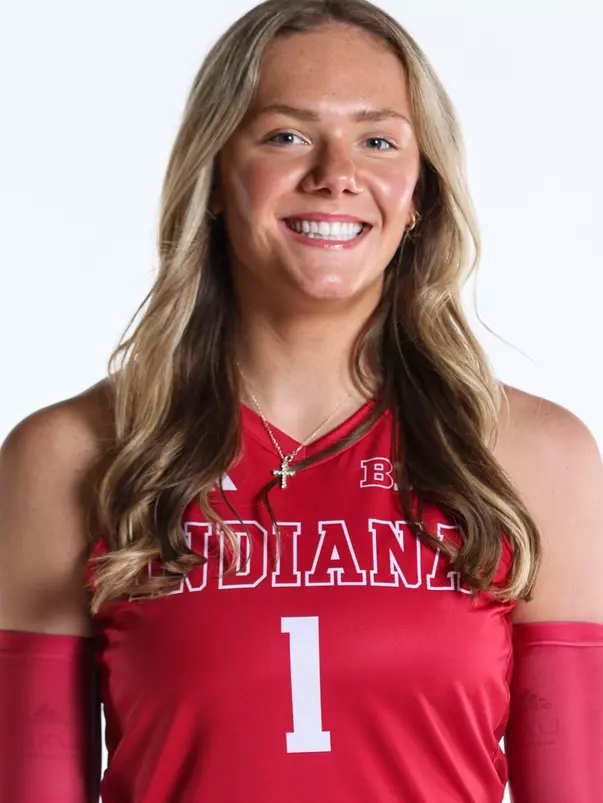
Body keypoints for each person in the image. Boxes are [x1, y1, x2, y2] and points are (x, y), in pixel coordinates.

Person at [1, 0, 601, 801]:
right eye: (285, 136)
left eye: (377, 140)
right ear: (215, 176)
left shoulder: (533, 456)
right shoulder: (73, 455)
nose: (335, 174)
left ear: (419, 192)